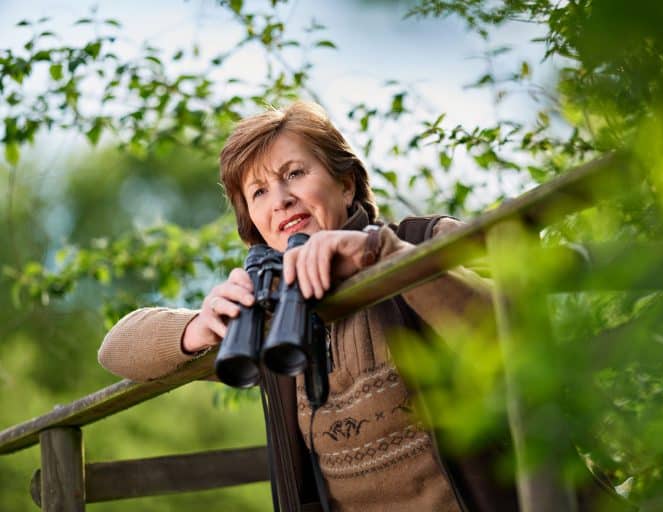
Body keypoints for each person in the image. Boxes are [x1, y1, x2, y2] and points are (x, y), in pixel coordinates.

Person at [98, 101, 627, 511]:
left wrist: (384, 259)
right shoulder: (266, 310)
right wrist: (198, 327)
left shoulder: (425, 240)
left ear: (346, 181)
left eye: (294, 174)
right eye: (257, 192)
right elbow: (115, 350)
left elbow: (509, 331)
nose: (278, 199)